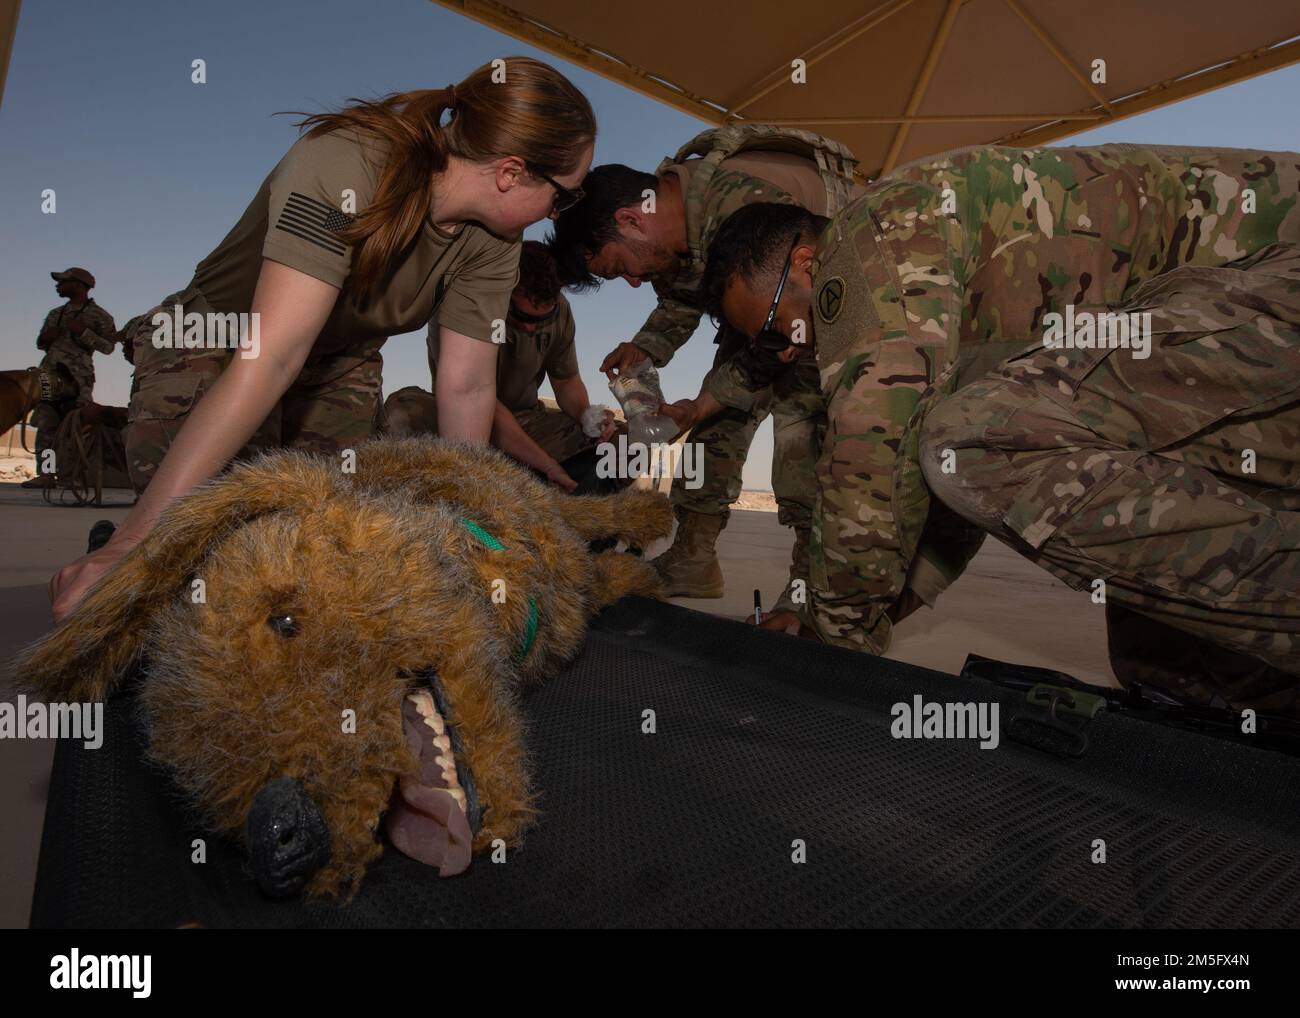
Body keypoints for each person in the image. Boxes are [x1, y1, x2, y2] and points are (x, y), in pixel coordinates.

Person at [700, 143, 1300, 715]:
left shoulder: (865, 240)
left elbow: (876, 452)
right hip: (1235, 349)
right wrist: (818, 617)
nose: (783, 353)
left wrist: (835, 638)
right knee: (1165, 667)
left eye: (779, 328)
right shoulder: (934, 312)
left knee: (969, 438)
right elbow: (949, 502)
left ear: (807, 263)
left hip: (1272, 288)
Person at [49, 56, 596, 621]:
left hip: (339, 361)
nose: (559, 213)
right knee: (202, 544)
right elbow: (272, 355)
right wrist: (132, 547)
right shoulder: (348, 164)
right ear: (510, 172)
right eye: (564, 196)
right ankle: (117, 541)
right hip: (218, 340)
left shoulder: (495, 240)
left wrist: (473, 533)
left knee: (316, 548)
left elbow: (467, 387)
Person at [549, 127, 860, 604]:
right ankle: (693, 559)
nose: (632, 282)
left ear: (631, 220)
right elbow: (686, 295)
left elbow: (778, 338)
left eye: (619, 268)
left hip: (814, 304)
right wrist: (646, 347)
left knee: (802, 432)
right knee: (715, 429)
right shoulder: (671, 221)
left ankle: (813, 593)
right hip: (763, 312)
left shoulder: (741, 206)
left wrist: (706, 399)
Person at [384, 240, 616, 491]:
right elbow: (476, 399)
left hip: (527, 423)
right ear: (504, 288)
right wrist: (547, 464)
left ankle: (552, 494)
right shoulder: (466, 300)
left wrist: (587, 416)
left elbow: (566, 382)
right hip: (459, 420)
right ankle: (517, 478)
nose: (530, 328)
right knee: (402, 411)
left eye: (542, 319)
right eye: (522, 316)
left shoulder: (561, 312)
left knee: (620, 442)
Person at [23, 268, 118, 488]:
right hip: (48, 377)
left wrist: (83, 332)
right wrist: (46, 337)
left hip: (78, 379)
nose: (58, 286)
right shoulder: (56, 313)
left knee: (75, 425)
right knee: (47, 423)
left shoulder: (99, 316)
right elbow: (41, 344)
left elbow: (108, 347)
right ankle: (46, 474)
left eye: (63, 282)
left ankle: (71, 475)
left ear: (78, 284)